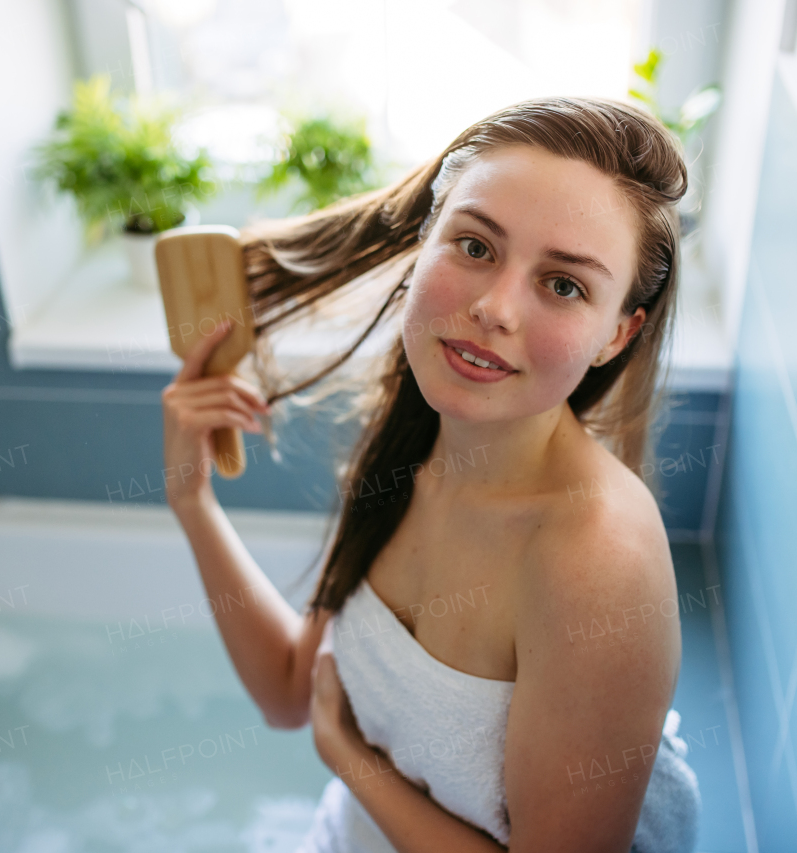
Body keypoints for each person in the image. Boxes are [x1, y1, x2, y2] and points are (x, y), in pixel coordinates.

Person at [160, 97, 700, 852]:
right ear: (426, 238)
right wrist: (191, 501)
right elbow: (292, 688)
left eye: (564, 284)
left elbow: (324, 725)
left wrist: (351, 761)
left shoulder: (596, 559)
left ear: (618, 333)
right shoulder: (414, 446)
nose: (493, 307)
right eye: (475, 247)